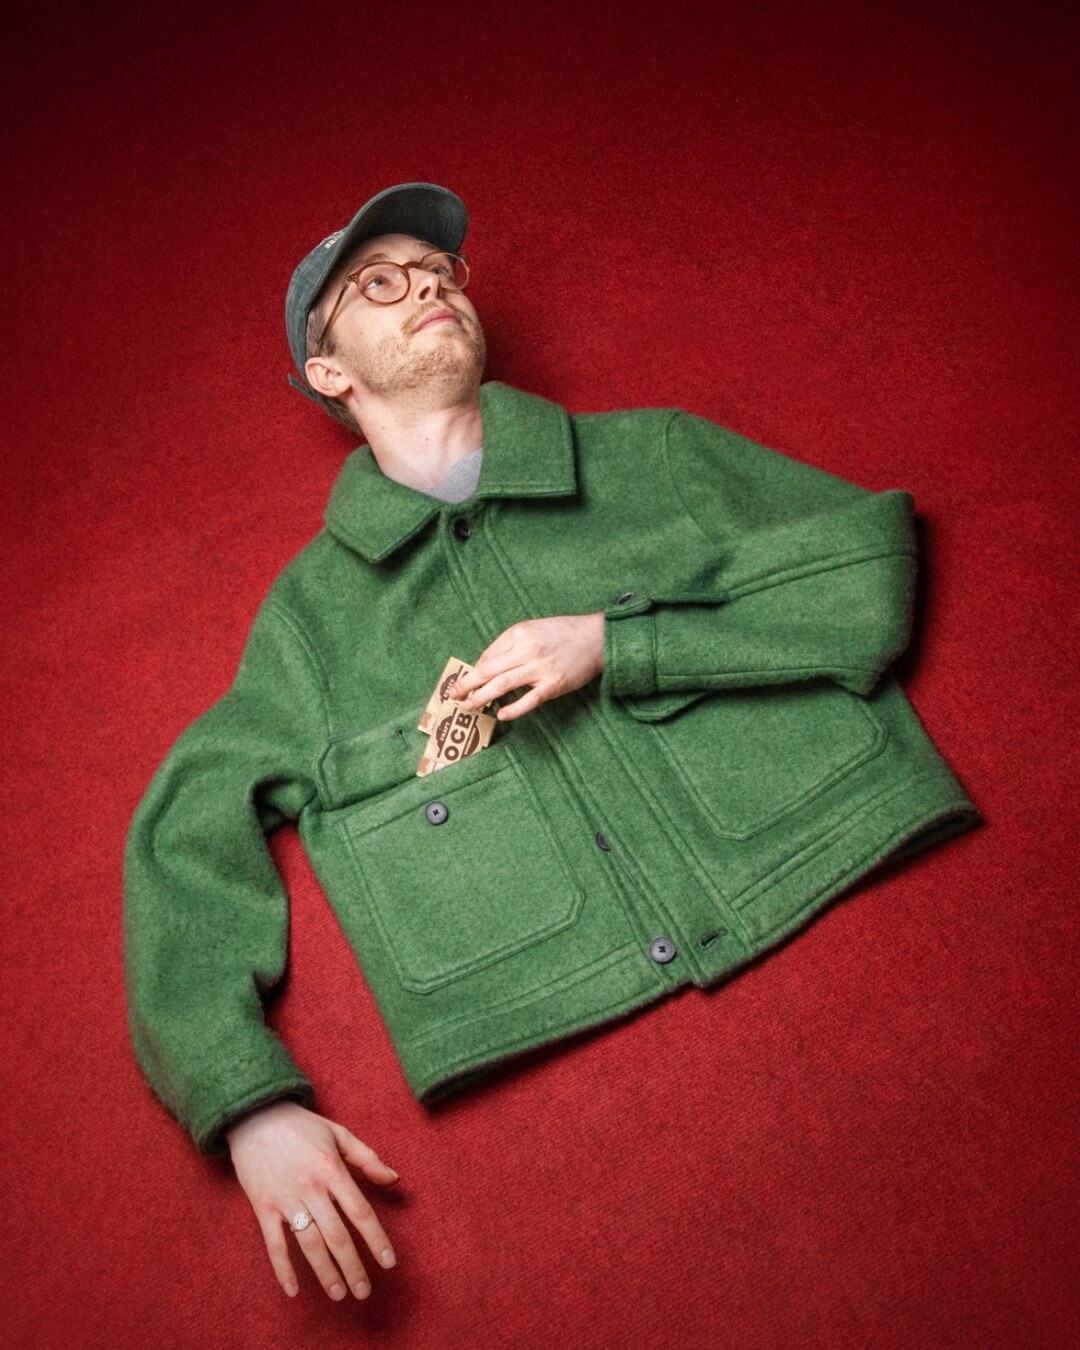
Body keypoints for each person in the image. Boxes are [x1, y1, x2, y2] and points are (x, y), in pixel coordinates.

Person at [123, 182, 980, 1306]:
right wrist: (247, 1102)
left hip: (859, 893)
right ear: (329, 372)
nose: (427, 287)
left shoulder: (652, 456)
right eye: (379, 283)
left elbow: (864, 567)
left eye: (440, 271)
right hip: (607, 1108)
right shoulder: (310, 623)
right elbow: (186, 830)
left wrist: (620, 643)